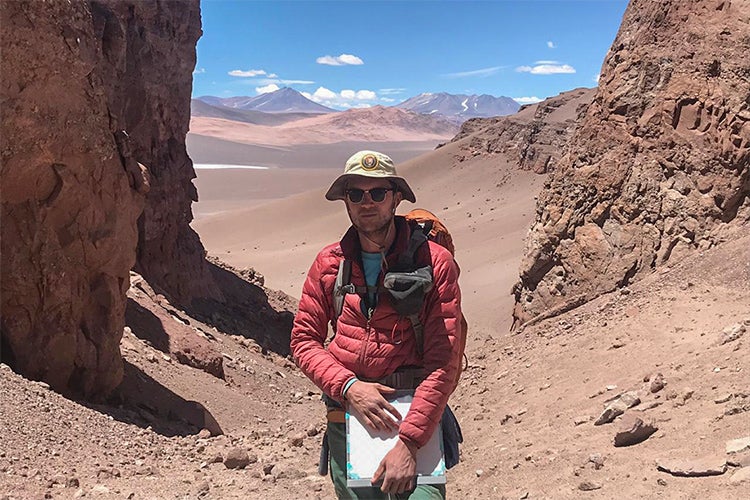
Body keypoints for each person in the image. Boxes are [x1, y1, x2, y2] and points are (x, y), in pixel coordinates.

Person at [290, 150, 463, 499]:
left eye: (378, 193)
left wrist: (409, 444)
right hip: (349, 416)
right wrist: (349, 387)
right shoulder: (329, 263)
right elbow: (304, 340)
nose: (366, 202)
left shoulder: (434, 263)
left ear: (396, 197)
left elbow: (443, 361)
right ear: (346, 202)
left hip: (414, 414)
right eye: (356, 194)